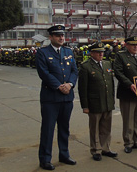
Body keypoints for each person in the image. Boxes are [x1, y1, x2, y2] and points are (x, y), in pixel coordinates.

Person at [35, 25, 78, 170]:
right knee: (48, 129)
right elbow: (44, 73)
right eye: (57, 35)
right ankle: (45, 159)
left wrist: (70, 84)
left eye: (62, 35)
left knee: (64, 128)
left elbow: (74, 71)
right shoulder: (42, 52)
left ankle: (64, 155)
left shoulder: (68, 51)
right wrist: (60, 86)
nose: (61, 38)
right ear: (51, 37)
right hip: (51, 98)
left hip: (67, 98)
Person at [78, 42, 117, 161]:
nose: (101, 54)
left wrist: (112, 100)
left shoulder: (107, 63)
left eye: (102, 52)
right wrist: (85, 106)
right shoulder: (86, 66)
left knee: (106, 127)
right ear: (92, 53)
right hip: (94, 102)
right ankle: (96, 150)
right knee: (95, 128)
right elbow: (82, 88)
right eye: (98, 52)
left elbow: (110, 83)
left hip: (107, 101)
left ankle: (106, 148)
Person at [113, 36, 137, 153]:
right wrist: (129, 84)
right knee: (128, 118)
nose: (136, 47)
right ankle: (128, 142)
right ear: (127, 45)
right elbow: (118, 72)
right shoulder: (121, 56)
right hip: (127, 92)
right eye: (133, 45)